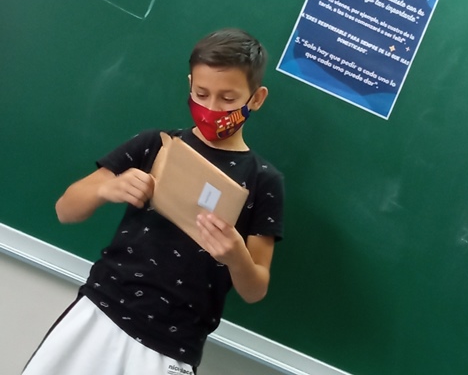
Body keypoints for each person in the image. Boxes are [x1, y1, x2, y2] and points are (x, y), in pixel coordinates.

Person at [23, 28, 284, 375]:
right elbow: (65, 209)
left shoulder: (263, 181)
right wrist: (106, 190)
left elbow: (255, 289)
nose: (211, 108)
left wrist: (236, 257)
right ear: (190, 84)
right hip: (100, 313)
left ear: (256, 98)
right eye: (201, 93)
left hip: (172, 348)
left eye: (227, 98)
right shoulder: (155, 145)